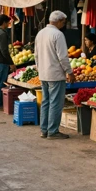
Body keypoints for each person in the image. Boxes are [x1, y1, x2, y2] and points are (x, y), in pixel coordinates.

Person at [34, 11, 75, 139]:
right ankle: (52, 131)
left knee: (46, 102)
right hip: (55, 74)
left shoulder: (40, 33)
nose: (63, 24)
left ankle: (44, 130)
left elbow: (36, 55)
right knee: (55, 103)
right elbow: (63, 57)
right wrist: (69, 72)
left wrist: (40, 69)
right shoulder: (58, 34)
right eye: (63, 22)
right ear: (59, 21)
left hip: (43, 74)